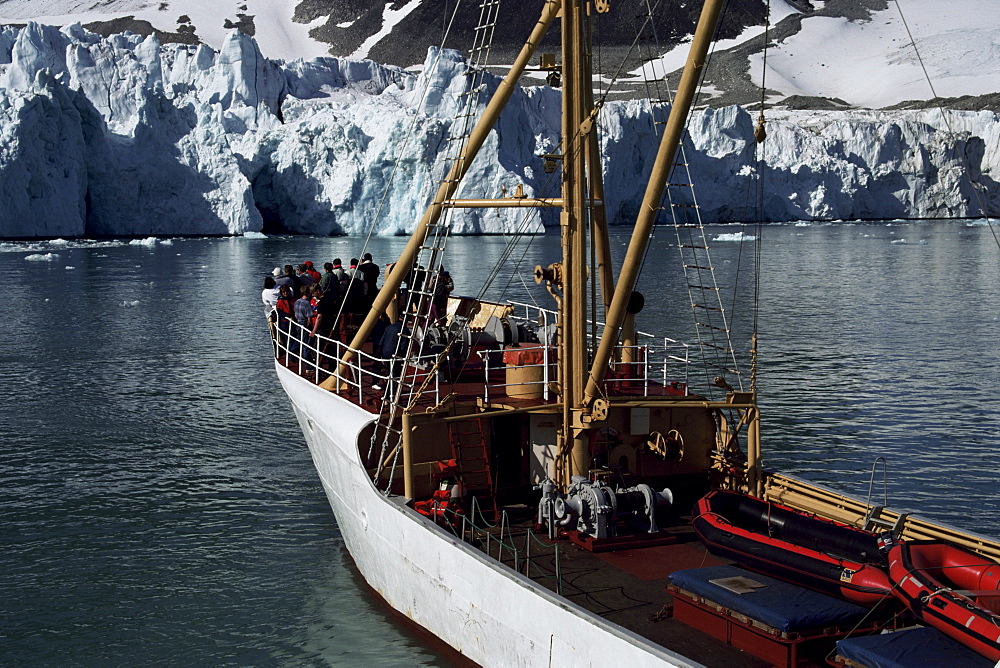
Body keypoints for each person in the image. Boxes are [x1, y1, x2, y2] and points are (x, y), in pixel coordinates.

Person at [293, 285, 314, 359]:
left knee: (298, 340)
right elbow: (309, 316)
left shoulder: (297, 301)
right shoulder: (307, 303)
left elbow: (295, 314)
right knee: (306, 345)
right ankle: (308, 366)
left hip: (298, 323)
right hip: (304, 324)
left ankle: (291, 352)